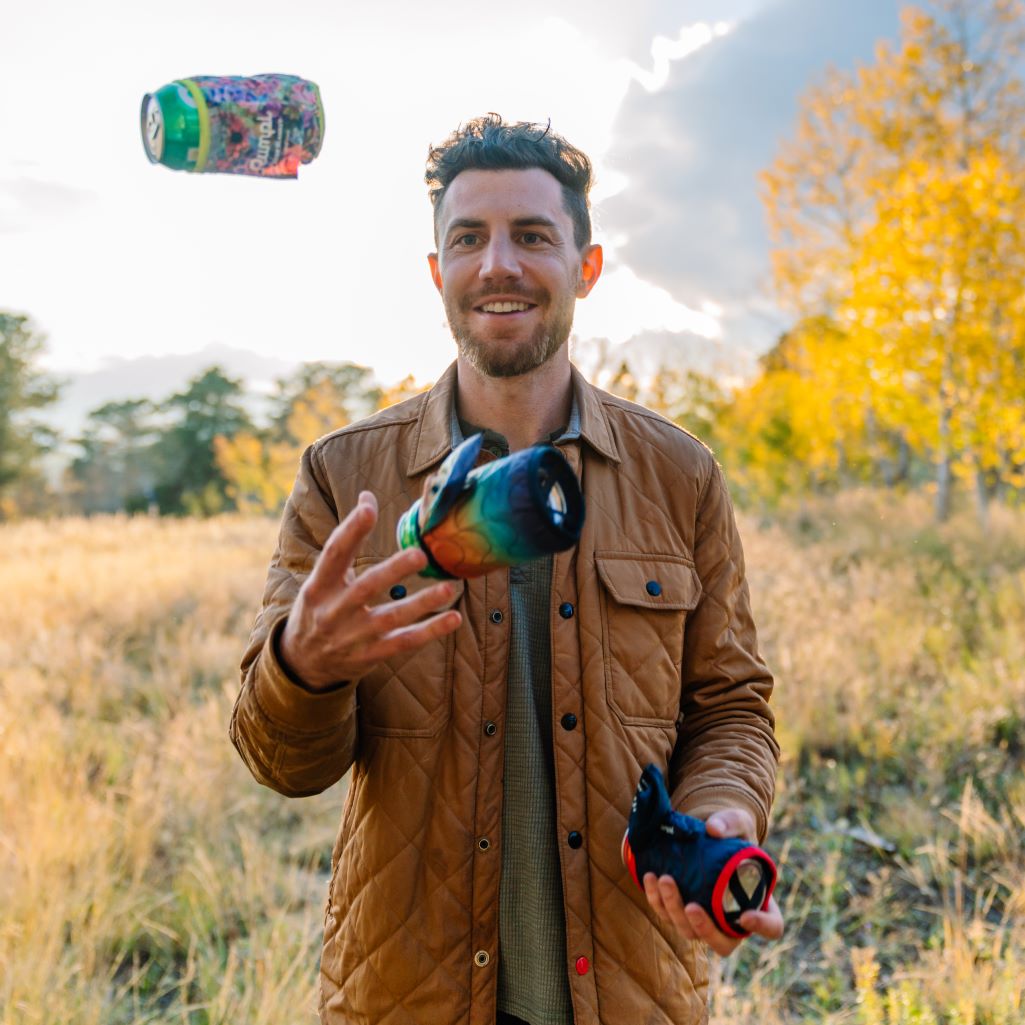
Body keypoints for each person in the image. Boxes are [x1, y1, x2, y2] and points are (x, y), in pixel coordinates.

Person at [230, 113, 782, 1025]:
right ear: (437, 272)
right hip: (409, 997)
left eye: (532, 236)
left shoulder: (679, 474)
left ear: (586, 266)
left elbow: (729, 706)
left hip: (630, 993)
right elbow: (281, 761)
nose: (498, 264)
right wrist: (304, 666)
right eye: (468, 239)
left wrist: (722, 809)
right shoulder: (344, 475)